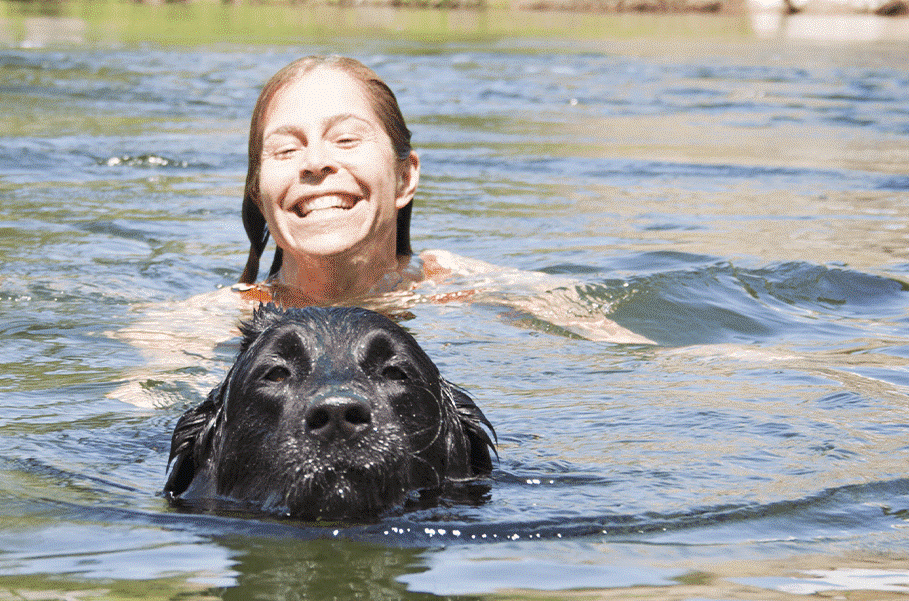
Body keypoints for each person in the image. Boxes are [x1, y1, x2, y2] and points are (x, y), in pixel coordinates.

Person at [109, 55, 648, 406]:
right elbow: (136, 422)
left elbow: (644, 354)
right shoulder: (204, 323)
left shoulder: (463, 288)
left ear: (404, 175)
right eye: (285, 148)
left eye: (346, 140)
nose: (315, 163)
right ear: (257, 191)